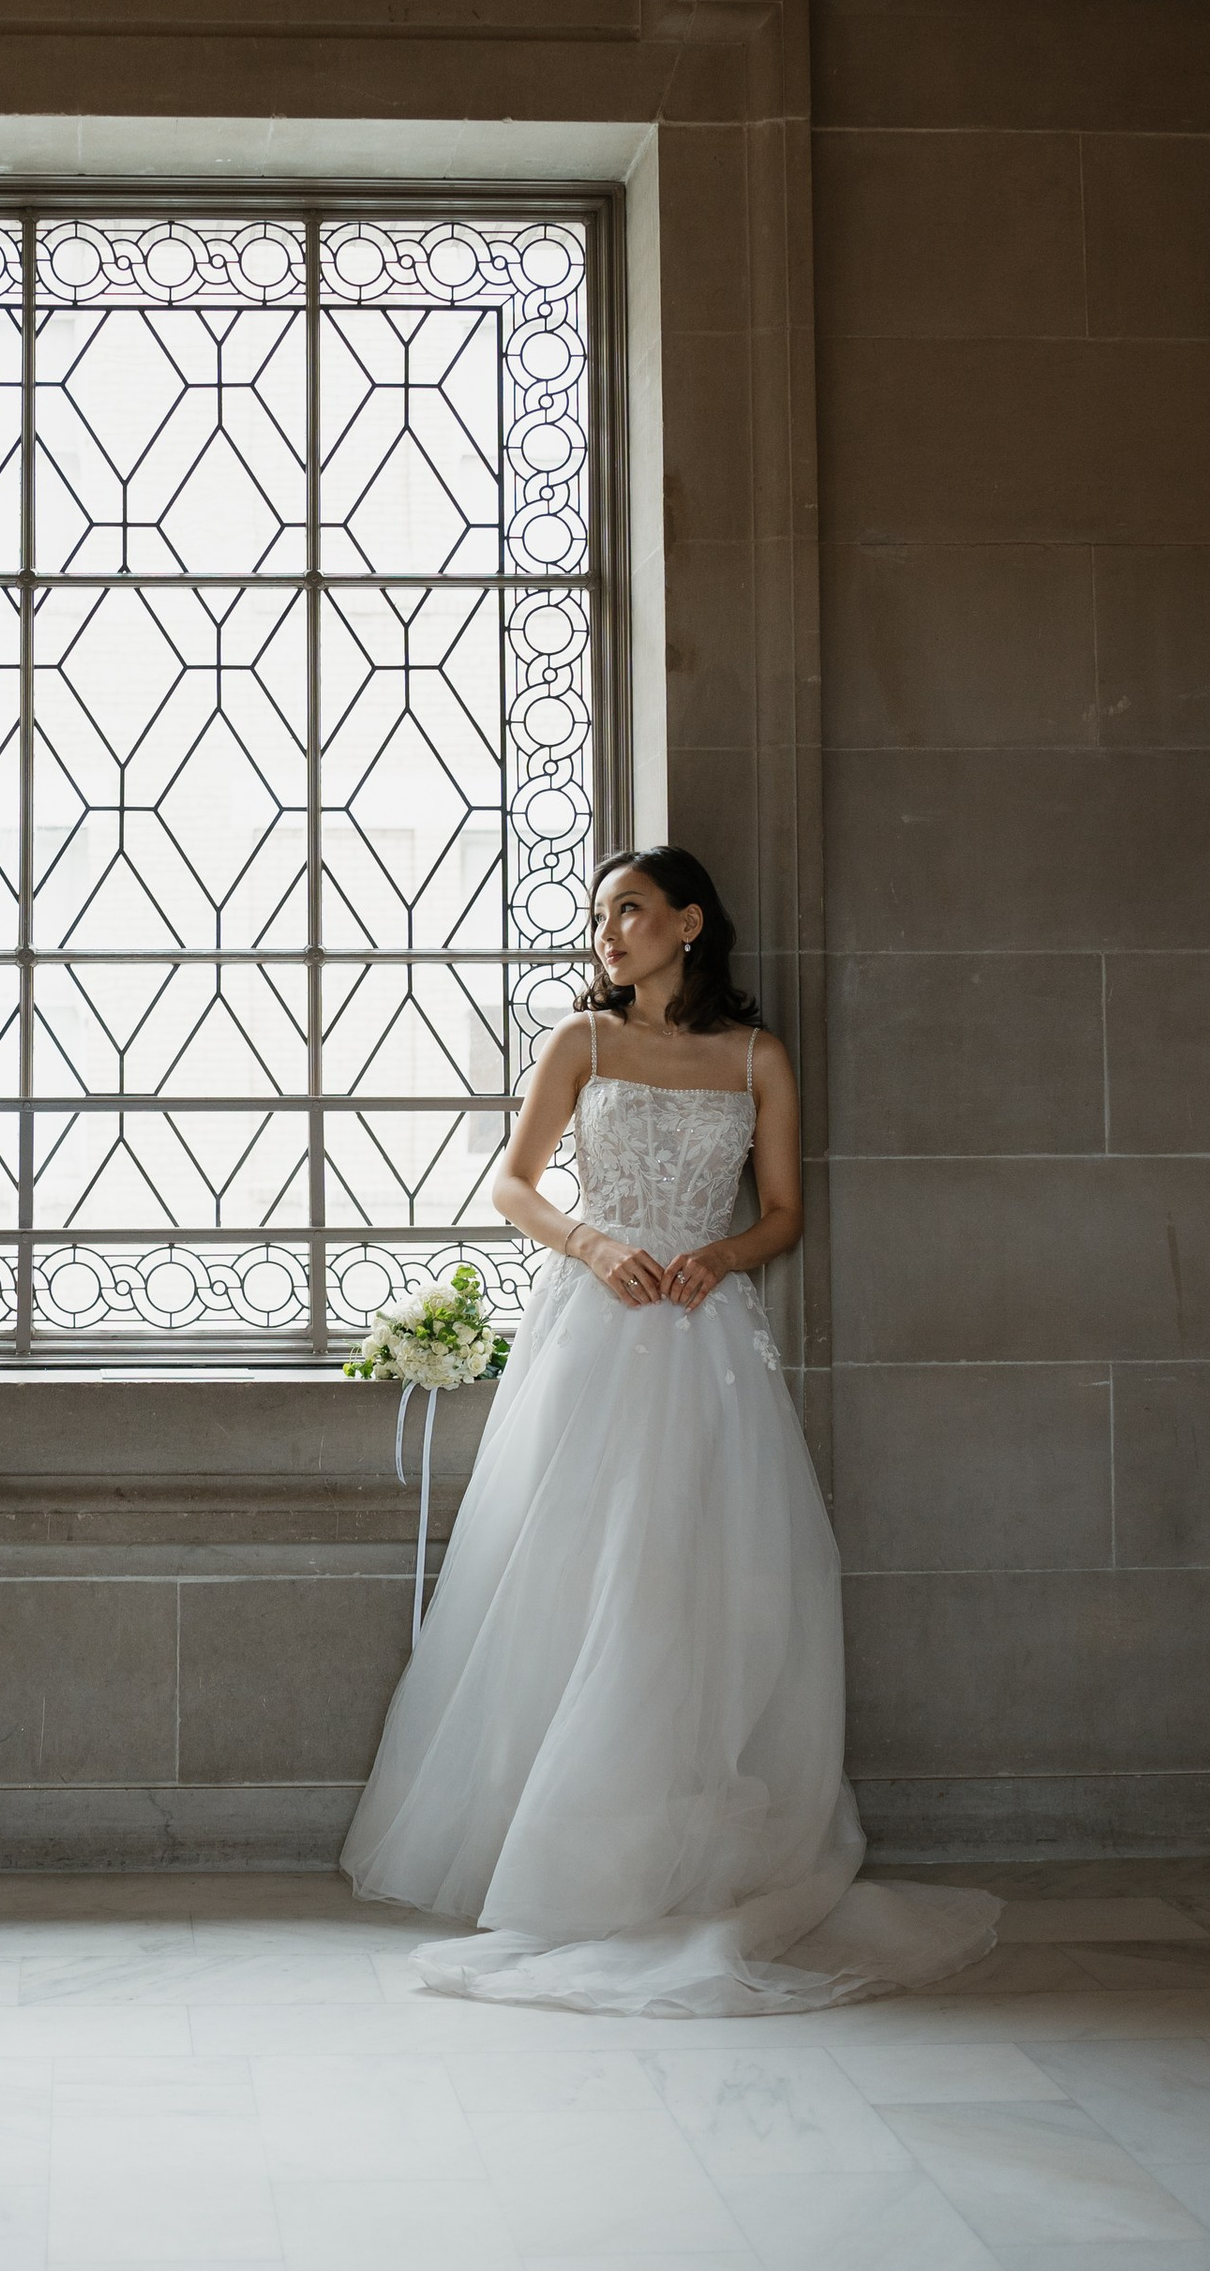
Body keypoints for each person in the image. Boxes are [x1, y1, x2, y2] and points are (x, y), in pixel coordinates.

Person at [342, 843, 998, 2015]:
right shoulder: (579, 1043)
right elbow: (512, 1182)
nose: (608, 931)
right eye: (601, 914)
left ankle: (669, 1842)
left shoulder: (756, 1058)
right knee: (571, 1571)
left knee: (699, 1579)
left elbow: (785, 1212)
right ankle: (547, 1848)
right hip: (591, 1333)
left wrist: (716, 1256)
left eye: (631, 911)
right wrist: (594, 1244)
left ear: (688, 924)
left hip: (703, 1341)